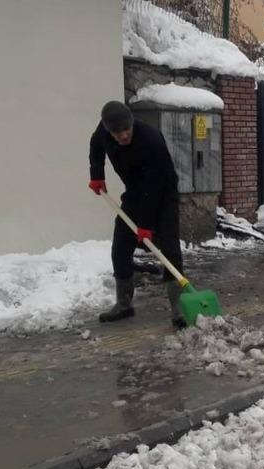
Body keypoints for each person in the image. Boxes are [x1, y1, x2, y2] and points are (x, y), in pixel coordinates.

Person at [88, 101, 185, 328]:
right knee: (120, 245)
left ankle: (179, 307)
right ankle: (124, 304)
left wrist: (146, 225)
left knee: (169, 249)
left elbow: (155, 187)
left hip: (162, 195)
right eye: (117, 132)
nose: (123, 135)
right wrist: (97, 174)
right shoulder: (103, 132)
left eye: (126, 130)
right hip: (133, 193)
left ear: (132, 123)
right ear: (109, 130)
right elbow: (95, 147)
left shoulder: (151, 140)